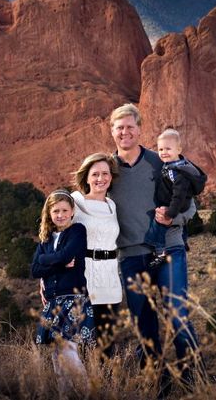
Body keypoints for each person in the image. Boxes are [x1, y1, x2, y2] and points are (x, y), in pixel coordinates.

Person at [109, 103, 200, 386]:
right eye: (119, 127)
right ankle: (158, 383)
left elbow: (190, 207)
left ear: (139, 130)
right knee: (144, 324)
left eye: (130, 127)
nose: (125, 132)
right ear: (112, 131)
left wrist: (174, 219)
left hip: (169, 248)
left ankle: (194, 380)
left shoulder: (159, 161)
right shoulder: (107, 169)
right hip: (131, 256)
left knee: (178, 316)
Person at [31, 189, 95, 391]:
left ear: (72, 211)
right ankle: (64, 394)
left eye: (64, 210)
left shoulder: (77, 231)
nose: (60, 215)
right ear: (49, 213)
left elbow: (67, 256)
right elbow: (35, 269)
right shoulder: (46, 239)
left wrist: (46, 261)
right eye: (56, 211)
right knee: (56, 354)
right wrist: (53, 262)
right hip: (52, 301)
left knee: (69, 349)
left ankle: (85, 392)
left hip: (73, 298)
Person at [70, 152, 123, 357]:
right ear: (86, 177)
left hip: (110, 278)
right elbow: (53, 233)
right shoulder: (76, 202)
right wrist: (45, 277)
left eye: (105, 173)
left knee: (107, 341)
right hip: (86, 278)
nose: (100, 179)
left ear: (111, 177)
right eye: (95, 174)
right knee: (85, 341)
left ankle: (106, 387)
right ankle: (83, 387)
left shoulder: (112, 205)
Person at [145, 128, 205, 272]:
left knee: (158, 227)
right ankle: (183, 241)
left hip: (175, 205)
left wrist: (170, 213)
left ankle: (159, 252)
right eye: (160, 149)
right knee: (178, 228)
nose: (163, 152)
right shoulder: (174, 165)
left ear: (179, 149)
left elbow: (178, 194)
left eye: (168, 148)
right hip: (175, 204)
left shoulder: (178, 172)